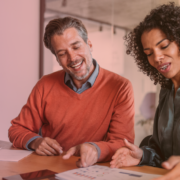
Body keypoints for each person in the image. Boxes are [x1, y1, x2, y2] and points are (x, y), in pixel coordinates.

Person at [8, 17, 135, 168]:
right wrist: (35, 142)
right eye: (62, 53)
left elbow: (123, 143)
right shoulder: (45, 85)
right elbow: (17, 129)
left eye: (76, 47)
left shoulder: (120, 87)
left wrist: (96, 149)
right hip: (49, 170)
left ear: (89, 44)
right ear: (56, 58)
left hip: (93, 171)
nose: (72, 58)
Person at [110, 2, 180, 180]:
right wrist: (142, 155)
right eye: (149, 53)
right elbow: (161, 151)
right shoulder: (166, 92)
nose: (156, 57)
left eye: (163, 46)